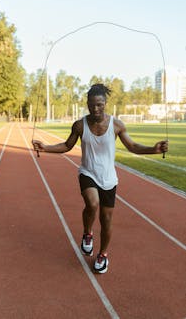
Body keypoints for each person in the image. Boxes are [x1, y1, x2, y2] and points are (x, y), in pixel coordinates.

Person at [32, 83, 168, 274]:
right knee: (92, 204)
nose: (96, 109)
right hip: (87, 173)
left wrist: (154, 149)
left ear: (105, 103)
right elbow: (66, 145)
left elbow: (133, 147)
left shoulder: (117, 125)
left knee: (106, 220)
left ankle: (103, 254)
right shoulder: (80, 125)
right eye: (92, 105)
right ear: (87, 104)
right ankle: (88, 233)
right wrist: (45, 147)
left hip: (109, 178)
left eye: (99, 105)